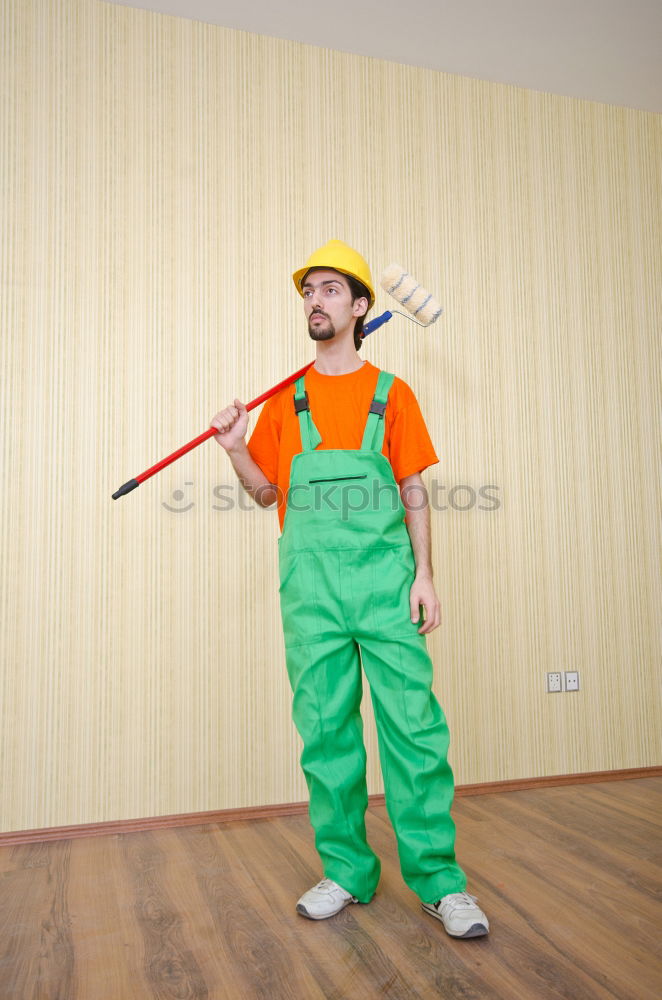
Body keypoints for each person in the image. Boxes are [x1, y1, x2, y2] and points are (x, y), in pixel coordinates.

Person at [210, 240, 489, 938]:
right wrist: (237, 447)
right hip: (312, 591)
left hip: (386, 584)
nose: (316, 300)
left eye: (332, 290)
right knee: (325, 735)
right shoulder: (284, 400)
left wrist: (426, 577)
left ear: (361, 307)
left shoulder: (393, 394)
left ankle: (440, 881)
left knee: (414, 731)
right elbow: (267, 493)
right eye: (310, 291)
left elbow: (413, 489)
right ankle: (347, 870)